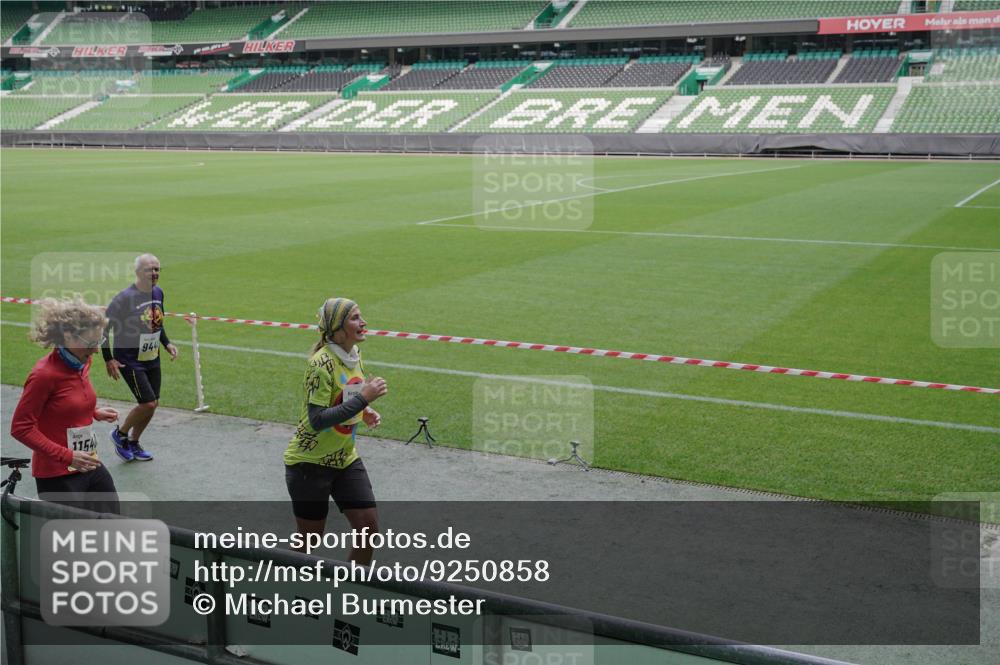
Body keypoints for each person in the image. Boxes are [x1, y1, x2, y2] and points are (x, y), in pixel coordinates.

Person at [284, 297, 388, 564]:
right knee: (309, 539)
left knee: (368, 530)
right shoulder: (320, 364)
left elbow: (345, 396)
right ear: (337, 327)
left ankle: (348, 587)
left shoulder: (354, 356)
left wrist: (364, 411)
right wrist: (364, 399)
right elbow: (317, 419)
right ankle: (281, 582)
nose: (363, 322)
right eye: (355, 318)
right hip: (309, 464)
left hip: (345, 458)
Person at [10, 296, 121, 513]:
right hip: (57, 475)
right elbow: (20, 428)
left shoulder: (82, 362)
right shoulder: (43, 375)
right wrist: (67, 456)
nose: (96, 351)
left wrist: (94, 412)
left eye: (98, 342)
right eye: (91, 343)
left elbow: (67, 401)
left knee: (113, 522)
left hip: (89, 463)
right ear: (69, 337)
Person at [102, 253, 178, 462]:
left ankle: (134, 442)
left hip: (152, 357)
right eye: (149, 269)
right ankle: (120, 435)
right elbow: (103, 330)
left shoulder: (158, 293)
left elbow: (157, 322)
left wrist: (167, 343)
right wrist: (108, 359)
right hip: (129, 359)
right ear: (137, 272)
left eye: (157, 269)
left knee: (154, 403)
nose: (154, 273)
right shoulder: (124, 299)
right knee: (148, 404)